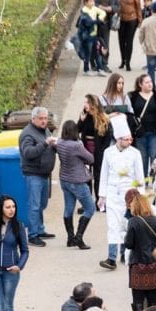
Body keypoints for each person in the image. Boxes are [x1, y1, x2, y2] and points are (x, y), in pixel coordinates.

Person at [98, 115, 146, 270]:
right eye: (126, 139)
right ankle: (111, 258)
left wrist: (141, 196)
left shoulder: (135, 153)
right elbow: (103, 174)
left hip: (129, 194)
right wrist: (102, 195)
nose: (129, 142)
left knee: (126, 225)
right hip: (113, 192)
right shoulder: (108, 152)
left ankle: (125, 253)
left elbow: (140, 176)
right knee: (112, 225)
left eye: (130, 139)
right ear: (118, 138)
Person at [123, 190, 156, 311]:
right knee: (153, 300)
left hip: (139, 266)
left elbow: (129, 244)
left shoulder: (133, 222)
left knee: (138, 300)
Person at [18, 106, 57, 246]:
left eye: (46, 118)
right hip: (33, 174)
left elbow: (46, 146)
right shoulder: (27, 134)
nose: (44, 121)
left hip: (44, 173)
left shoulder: (44, 130)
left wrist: (54, 145)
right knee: (34, 206)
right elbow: (28, 153)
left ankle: (40, 230)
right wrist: (45, 143)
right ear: (33, 119)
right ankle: (33, 235)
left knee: (42, 204)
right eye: (41, 118)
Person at [56, 119, 97, 250]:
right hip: (77, 181)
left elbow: (54, 146)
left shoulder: (60, 143)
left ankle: (70, 238)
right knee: (90, 208)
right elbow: (91, 159)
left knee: (69, 208)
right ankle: (79, 237)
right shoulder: (76, 145)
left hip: (64, 180)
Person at [129, 74, 156, 172]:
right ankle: (143, 181)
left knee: (154, 157)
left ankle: (154, 180)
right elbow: (128, 114)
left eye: (150, 81)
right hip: (139, 134)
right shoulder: (132, 96)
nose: (150, 84)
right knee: (142, 158)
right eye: (147, 82)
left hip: (154, 133)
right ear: (140, 84)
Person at [79, 94, 112, 200]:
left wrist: (103, 151)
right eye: (84, 102)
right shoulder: (84, 116)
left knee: (98, 176)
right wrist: (81, 120)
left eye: (87, 102)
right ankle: (87, 202)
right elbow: (76, 130)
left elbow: (108, 136)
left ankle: (99, 200)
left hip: (98, 150)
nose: (85, 104)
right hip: (86, 149)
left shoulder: (103, 118)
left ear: (93, 104)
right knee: (86, 176)